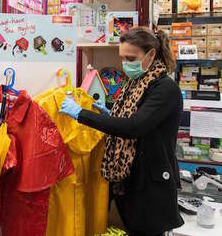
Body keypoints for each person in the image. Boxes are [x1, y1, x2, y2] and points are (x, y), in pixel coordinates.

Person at [59, 27, 184, 236]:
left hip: (150, 187)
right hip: (131, 181)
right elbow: (134, 119)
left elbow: (134, 126)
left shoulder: (164, 88)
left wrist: (81, 114)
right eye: (123, 58)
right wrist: (110, 115)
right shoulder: (136, 83)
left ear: (151, 54)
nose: (126, 64)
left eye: (131, 58)